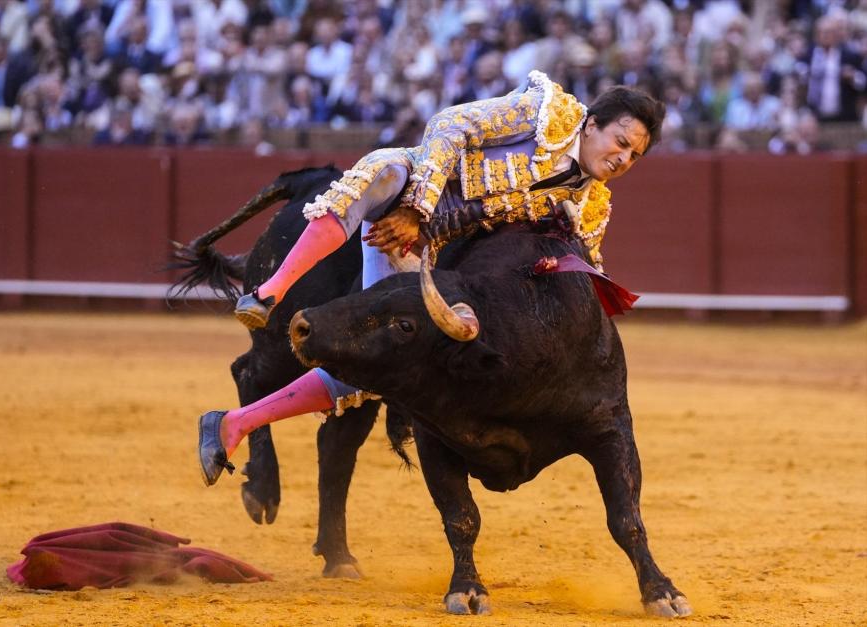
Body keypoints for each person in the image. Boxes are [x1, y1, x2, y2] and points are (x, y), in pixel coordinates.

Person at [198, 71, 665, 487]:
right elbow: (449, 123)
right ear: (591, 124)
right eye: (621, 141)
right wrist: (416, 209)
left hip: (428, 262)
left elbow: (581, 280)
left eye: (635, 155)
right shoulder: (546, 111)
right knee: (378, 174)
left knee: (373, 371)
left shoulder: (591, 207)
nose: (624, 158)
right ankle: (269, 291)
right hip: (409, 193)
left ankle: (234, 423)